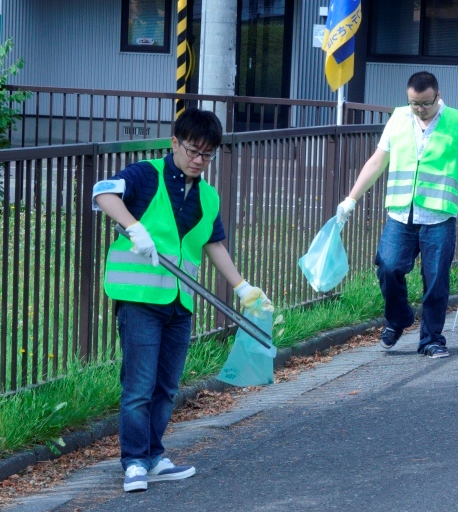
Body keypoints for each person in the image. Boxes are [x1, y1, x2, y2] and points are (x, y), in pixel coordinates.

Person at [92, 107, 271, 492]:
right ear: (174, 142)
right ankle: (134, 462)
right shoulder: (145, 174)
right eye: (192, 150)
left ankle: (155, 457)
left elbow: (214, 243)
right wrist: (134, 226)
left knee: (167, 386)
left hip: (179, 303)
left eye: (207, 155)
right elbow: (103, 193)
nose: (198, 160)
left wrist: (243, 288)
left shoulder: (207, 196)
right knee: (139, 385)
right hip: (139, 299)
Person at [336, 71, 458, 359]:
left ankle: (432, 340)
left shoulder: (457, 122)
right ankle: (398, 319)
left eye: (425, 103)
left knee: (436, 281)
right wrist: (351, 198)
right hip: (400, 214)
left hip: (439, 217)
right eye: (413, 103)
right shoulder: (398, 118)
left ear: (438, 96)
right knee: (387, 267)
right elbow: (377, 161)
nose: (419, 109)